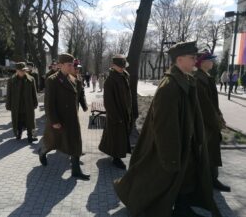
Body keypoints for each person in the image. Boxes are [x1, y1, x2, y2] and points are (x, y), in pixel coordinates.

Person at [113, 42, 221, 217]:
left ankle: (182, 208)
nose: (196, 61)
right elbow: (164, 127)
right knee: (157, 179)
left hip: (187, 143)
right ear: (179, 59)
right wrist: (170, 158)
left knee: (187, 177)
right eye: (192, 58)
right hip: (171, 147)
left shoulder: (185, 79)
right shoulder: (169, 86)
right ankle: (133, 196)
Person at [39, 53, 90, 180]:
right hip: (59, 119)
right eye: (68, 65)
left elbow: (78, 95)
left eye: (72, 65)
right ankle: (43, 151)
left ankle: (76, 170)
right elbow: (49, 104)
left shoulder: (73, 79)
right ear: (60, 65)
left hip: (72, 118)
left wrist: (83, 105)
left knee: (75, 142)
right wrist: (54, 121)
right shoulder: (52, 80)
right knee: (53, 142)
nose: (71, 67)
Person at [194, 51, 231, 192]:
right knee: (207, 152)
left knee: (211, 151)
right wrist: (216, 121)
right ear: (202, 62)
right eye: (210, 60)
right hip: (205, 123)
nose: (212, 62)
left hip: (210, 122)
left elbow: (212, 104)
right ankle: (206, 181)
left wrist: (219, 116)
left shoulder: (205, 76)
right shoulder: (199, 78)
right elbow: (205, 105)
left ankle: (212, 179)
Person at [98, 54, 132, 169]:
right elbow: (108, 102)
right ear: (113, 66)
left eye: (123, 66)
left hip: (124, 112)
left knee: (116, 136)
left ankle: (114, 151)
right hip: (116, 114)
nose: (122, 68)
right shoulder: (110, 81)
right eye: (119, 66)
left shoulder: (124, 76)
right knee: (116, 136)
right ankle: (116, 158)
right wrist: (116, 117)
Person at [6, 62, 38, 143]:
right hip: (17, 105)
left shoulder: (31, 79)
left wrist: (35, 103)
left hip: (28, 104)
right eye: (21, 70)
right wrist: (8, 105)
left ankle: (31, 136)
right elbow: (9, 94)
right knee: (18, 120)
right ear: (17, 70)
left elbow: (34, 93)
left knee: (30, 121)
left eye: (24, 70)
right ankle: (18, 134)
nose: (23, 72)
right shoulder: (11, 81)